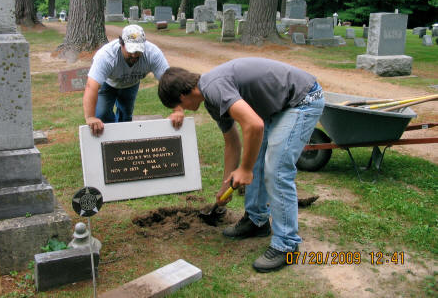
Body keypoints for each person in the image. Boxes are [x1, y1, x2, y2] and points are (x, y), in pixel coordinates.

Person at [158, 57, 324, 272]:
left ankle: (287, 245)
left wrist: (244, 169)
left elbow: (254, 125)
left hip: (303, 99)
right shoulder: (210, 100)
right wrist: (226, 185)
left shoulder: (214, 88)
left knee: (277, 170)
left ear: (182, 97)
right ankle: (256, 221)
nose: (183, 110)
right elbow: (232, 143)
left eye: (177, 106)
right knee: (254, 160)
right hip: (278, 107)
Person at [83, 24, 183, 136]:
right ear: (121, 44)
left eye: (138, 51)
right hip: (109, 83)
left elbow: (168, 82)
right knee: (102, 114)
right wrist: (90, 117)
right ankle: (109, 145)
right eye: (131, 51)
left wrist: (178, 110)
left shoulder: (153, 54)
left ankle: (124, 144)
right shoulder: (106, 56)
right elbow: (91, 86)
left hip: (131, 85)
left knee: (126, 116)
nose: (134, 55)